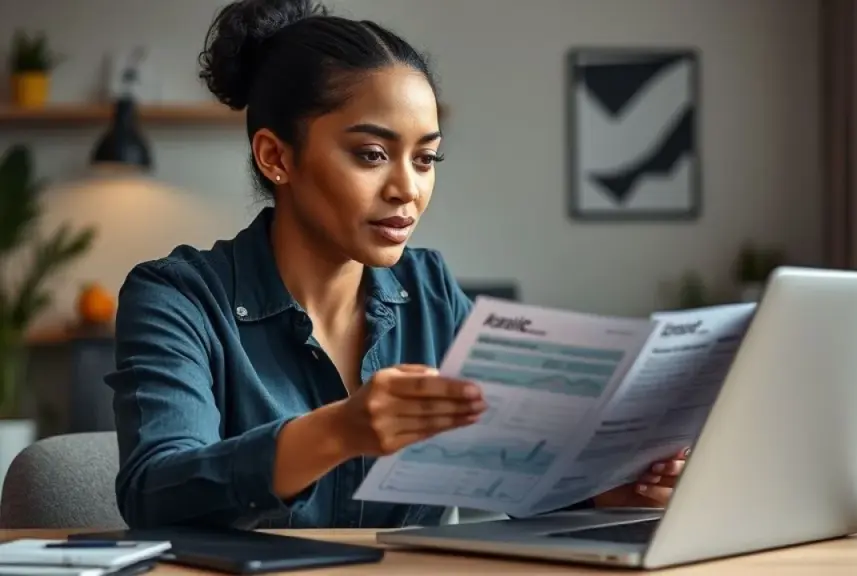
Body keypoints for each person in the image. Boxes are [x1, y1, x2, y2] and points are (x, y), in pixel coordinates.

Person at [106, 0, 687, 530]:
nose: (407, 189)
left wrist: (605, 491)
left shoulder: (431, 291)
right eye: (372, 154)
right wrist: (336, 431)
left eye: (426, 158)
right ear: (276, 156)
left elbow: (514, 468)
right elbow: (155, 492)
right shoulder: (177, 299)